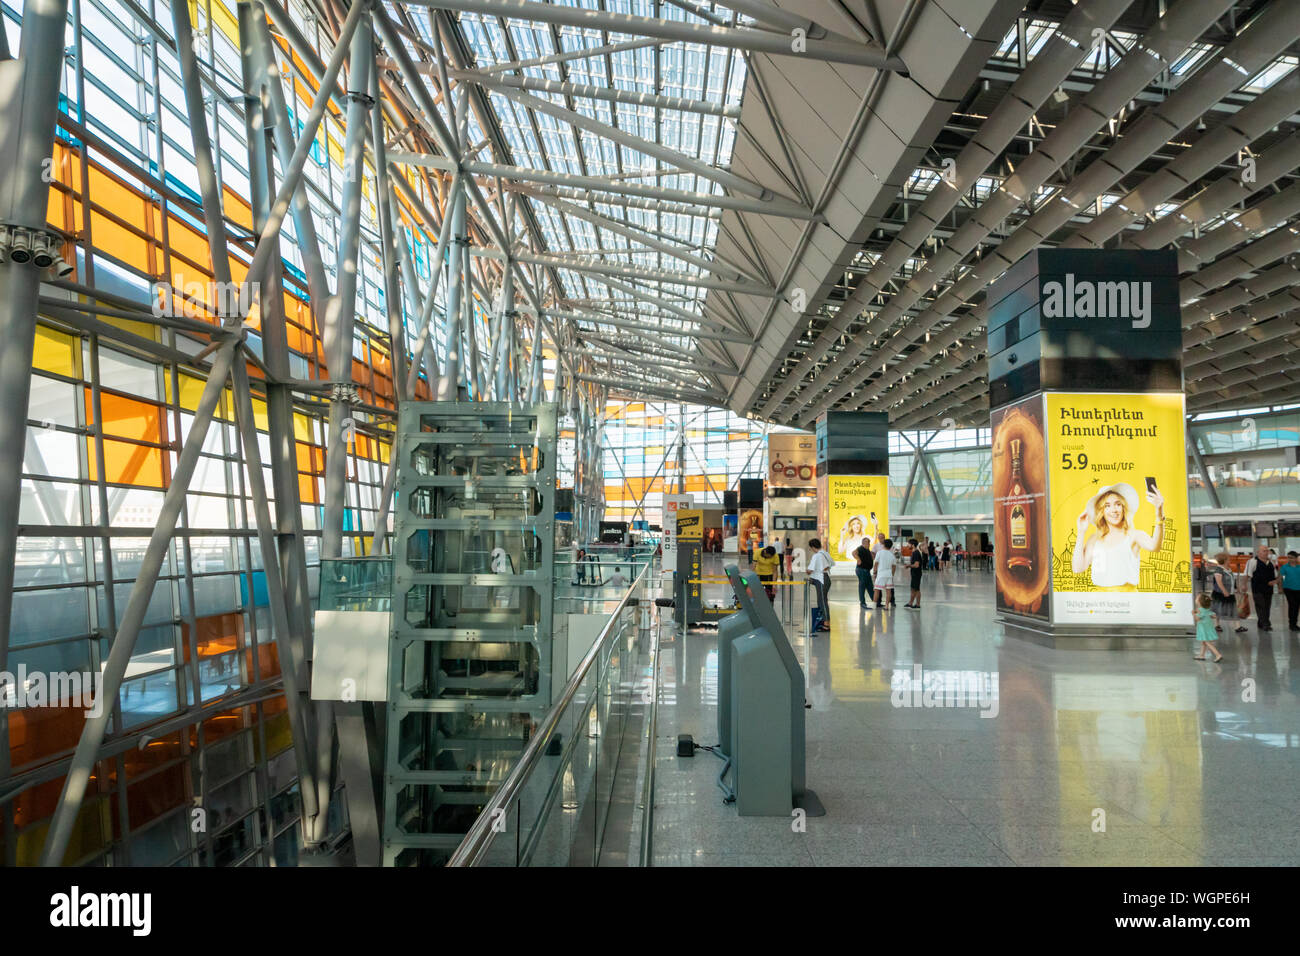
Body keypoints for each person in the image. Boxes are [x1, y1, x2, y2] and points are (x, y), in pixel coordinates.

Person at [1071, 482, 1164, 589]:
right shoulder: (1094, 539)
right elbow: (1078, 569)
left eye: (1118, 504)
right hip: (1100, 602)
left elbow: (1155, 547)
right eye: (1107, 506)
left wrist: (1159, 513)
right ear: (1102, 511)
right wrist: (1081, 532)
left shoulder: (1134, 535)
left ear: (1123, 508)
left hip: (1128, 601)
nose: (1114, 510)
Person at [1245, 544, 1279, 631]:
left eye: (1267, 550)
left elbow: (1275, 575)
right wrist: (1243, 585)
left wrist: (1275, 582)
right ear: (1258, 552)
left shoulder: (1271, 562)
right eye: (1264, 551)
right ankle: (1266, 624)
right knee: (1261, 606)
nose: (1266, 552)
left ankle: (1261, 622)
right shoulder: (1252, 561)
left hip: (1268, 589)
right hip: (1257, 588)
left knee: (1267, 606)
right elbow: (1247, 575)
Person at [807, 538, 832, 633]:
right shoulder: (825, 553)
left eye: (810, 548)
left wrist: (808, 571)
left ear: (813, 547)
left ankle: (826, 624)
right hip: (826, 578)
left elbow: (810, 570)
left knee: (822, 602)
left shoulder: (817, 556)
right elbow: (829, 565)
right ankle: (823, 620)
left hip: (821, 580)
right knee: (823, 600)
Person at [1193, 592, 1224, 663]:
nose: (1196, 598)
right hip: (1208, 628)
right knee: (1204, 642)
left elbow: (1197, 619)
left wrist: (1194, 614)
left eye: (1197, 598)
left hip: (1203, 629)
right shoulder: (1207, 609)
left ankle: (1218, 655)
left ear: (1199, 602)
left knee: (1207, 642)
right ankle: (1202, 655)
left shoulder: (1200, 610)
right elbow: (1213, 615)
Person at [872, 537, 896, 608]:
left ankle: (874, 605)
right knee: (888, 591)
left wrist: (874, 572)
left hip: (881, 574)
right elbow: (894, 567)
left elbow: (876, 563)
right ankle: (886, 606)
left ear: (883, 545)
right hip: (889, 574)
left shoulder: (879, 553)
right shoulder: (892, 555)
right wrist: (892, 575)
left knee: (877, 590)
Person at [1280, 551, 1300, 632]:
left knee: (1297, 606)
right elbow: (1282, 578)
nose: (1289, 559)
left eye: (1291, 558)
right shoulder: (1285, 567)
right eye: (1288, 557)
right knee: (1292, 605)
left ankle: (1294, 624)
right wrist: (1280, 588)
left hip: (1298, 589)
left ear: (1296, 558)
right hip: (1288, 589)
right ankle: (1292, 624)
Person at [853, 536, 874, 609]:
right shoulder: (860, 548)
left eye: (868, 542)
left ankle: (875, 601)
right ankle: (862, 603)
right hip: (862, 570)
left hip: (866, 570)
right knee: (862, 586)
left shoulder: (867, 550)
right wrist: (858, 559)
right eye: (866, 542)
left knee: (870, 586)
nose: (868, 543)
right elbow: (853, 553)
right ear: (863, 543)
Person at [904, 537, 924, 609]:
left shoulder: (916, 553)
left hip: (916, 573)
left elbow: (916, 565)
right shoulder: (915, 552)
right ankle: (915, 603)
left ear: (912, 545)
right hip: (915, 573)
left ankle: (913, 603)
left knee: (915, 589)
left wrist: (908, 565)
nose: (907, 546)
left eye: (908, 544)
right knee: (915, 589)